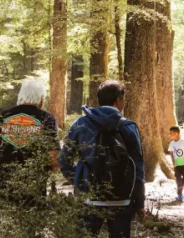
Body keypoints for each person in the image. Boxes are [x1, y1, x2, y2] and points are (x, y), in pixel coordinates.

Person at [59, 80, 145, 238]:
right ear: (118, 100)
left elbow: (64, 160)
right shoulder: (129, 127)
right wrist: (140, 202)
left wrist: (79, 179)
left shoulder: (81, 124)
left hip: (89, 198)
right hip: (122, 199)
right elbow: (138, 168)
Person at [0, 79, 59, 204]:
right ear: (41, 98)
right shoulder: (47, 118)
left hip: (3, 185)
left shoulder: (3, 116)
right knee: (32, 215)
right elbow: (53, 155)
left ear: (21, 95)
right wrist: (53, 170)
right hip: (34, 185)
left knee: (1, 215)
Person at [167, 126, 184, 202]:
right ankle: (180, 195)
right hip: (176, 165)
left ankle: (180, 189)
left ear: (176, 133)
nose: (170, 135)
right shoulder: (171, 144)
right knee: (178, 179)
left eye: (171, 133)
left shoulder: (183, 141)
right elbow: (171, 154)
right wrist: (173, 162)